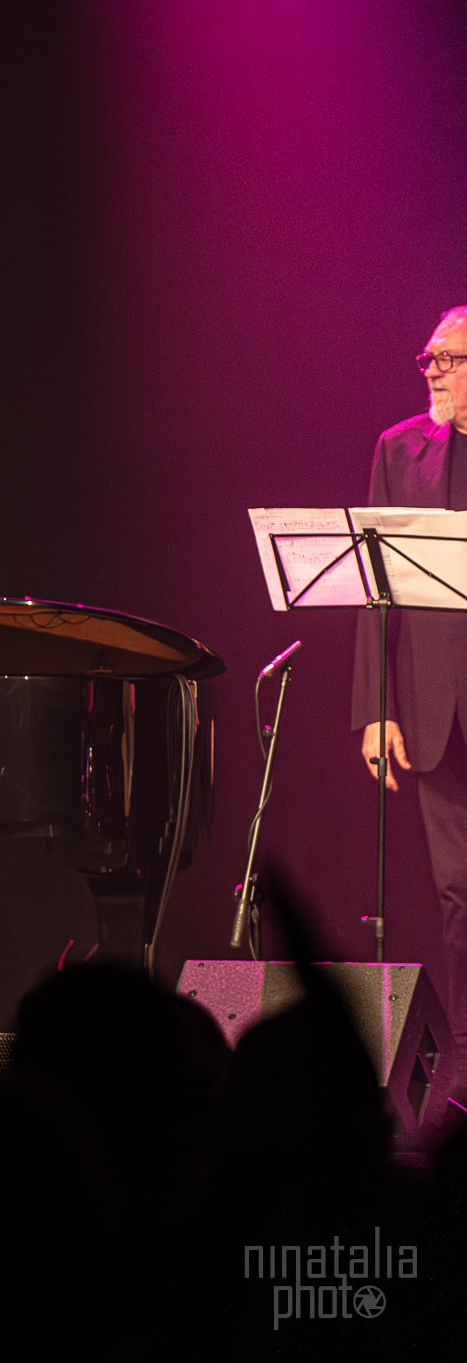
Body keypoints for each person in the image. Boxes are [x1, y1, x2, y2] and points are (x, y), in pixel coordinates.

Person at [354, 304, 467, 1036]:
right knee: (458, 895)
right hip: (435, 711)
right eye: (429, 358)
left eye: (448, 359)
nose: (432, 371)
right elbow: (378, 591)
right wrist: (377, 707)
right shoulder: (399, 450)